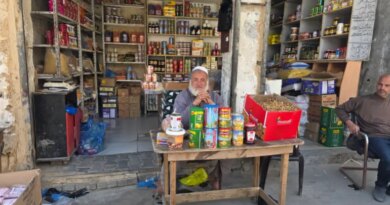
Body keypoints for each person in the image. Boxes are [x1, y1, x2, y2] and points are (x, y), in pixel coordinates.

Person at [155, 66, 224, 198]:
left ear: (207, 82)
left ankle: (215, 179)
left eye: (202, 80)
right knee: (171, 153)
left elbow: (223, 120)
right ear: (190, 82)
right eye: (195, 80)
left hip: (209, 138)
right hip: (186, 139)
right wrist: (195, 103)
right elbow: (179, 122)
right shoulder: (182, 96)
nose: (199, 83)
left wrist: (210, 104)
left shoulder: (215, 96)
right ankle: (163, 184)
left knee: (226, 150)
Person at [335, 74, 390, 203]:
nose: (382, 88)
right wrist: (350, 124)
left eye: (387, 86)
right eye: (380, 84)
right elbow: (340, 109)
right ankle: (381, 186)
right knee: (388, 158)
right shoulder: (363, 100)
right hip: (374, 137)